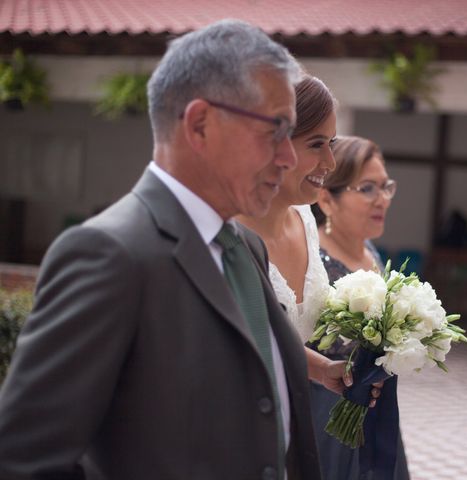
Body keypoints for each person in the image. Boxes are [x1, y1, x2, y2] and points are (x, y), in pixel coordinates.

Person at [0, 20, 321, 480]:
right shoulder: (108, 254)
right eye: (276, 129)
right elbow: (24, 460)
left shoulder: (245, 247)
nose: (289, 157)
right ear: (200, 124)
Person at [237, 76, 383, 477]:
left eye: (331, 144)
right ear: (275, 144)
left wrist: (322, 369)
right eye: (316, 145)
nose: (329, 164)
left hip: (298, 428)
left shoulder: (304, 219)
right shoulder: (228, 235)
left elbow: (277, 341)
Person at [312, 135, 410, 479]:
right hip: (324, 419)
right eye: (367, 188)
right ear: (326, 199)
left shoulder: (372, 252)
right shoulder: (313, 263)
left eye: (386, 187)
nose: (382, 199)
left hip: (377, 413)